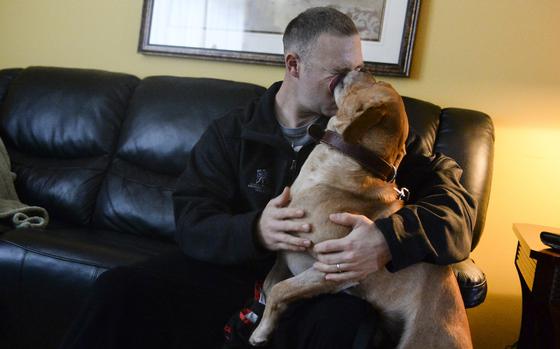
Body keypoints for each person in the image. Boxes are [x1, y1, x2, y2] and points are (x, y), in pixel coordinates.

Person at [60, 7, 476, 349]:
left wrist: (388, 237)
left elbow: (459, 214)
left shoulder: (379, 132)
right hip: (235, 273)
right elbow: (191, 221)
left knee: (345, 322)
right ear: (293, 64)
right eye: (340, 74)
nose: (355, 83)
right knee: (119, 288)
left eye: (361, 70)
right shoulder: (232, 132)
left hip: (319, 289)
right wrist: (255, 229)